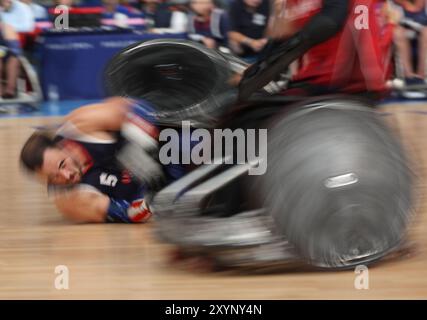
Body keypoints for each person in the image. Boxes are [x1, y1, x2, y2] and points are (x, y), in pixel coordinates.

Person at [19, 97, 183, 223]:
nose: (66, 175)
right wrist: (151, 202)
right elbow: (128, 214)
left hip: (166, 146)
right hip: (155, 195)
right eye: (54, 177)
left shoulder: (81, 124)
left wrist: (150, 148)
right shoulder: (69, 201)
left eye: (62, 164)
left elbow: (134, 108)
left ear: (62, 146)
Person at [238, 0, 397, 101]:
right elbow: (279, 40)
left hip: (341, 87)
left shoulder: (357, 5)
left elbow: (368, 50)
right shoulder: (288, 4)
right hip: (311, 82)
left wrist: (391, 26)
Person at [393, 0, 427, 84]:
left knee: (425, 32)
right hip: (404, 38)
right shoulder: (395, 5)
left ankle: (421, 75)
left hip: (422, 37)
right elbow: (392, 22)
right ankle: (408, 76)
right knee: (398, 32)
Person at [0, 21, 22, 99]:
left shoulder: (6, 28)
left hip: (6, 55)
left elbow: (15, 50)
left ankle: (10, 90)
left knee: (13, 59)